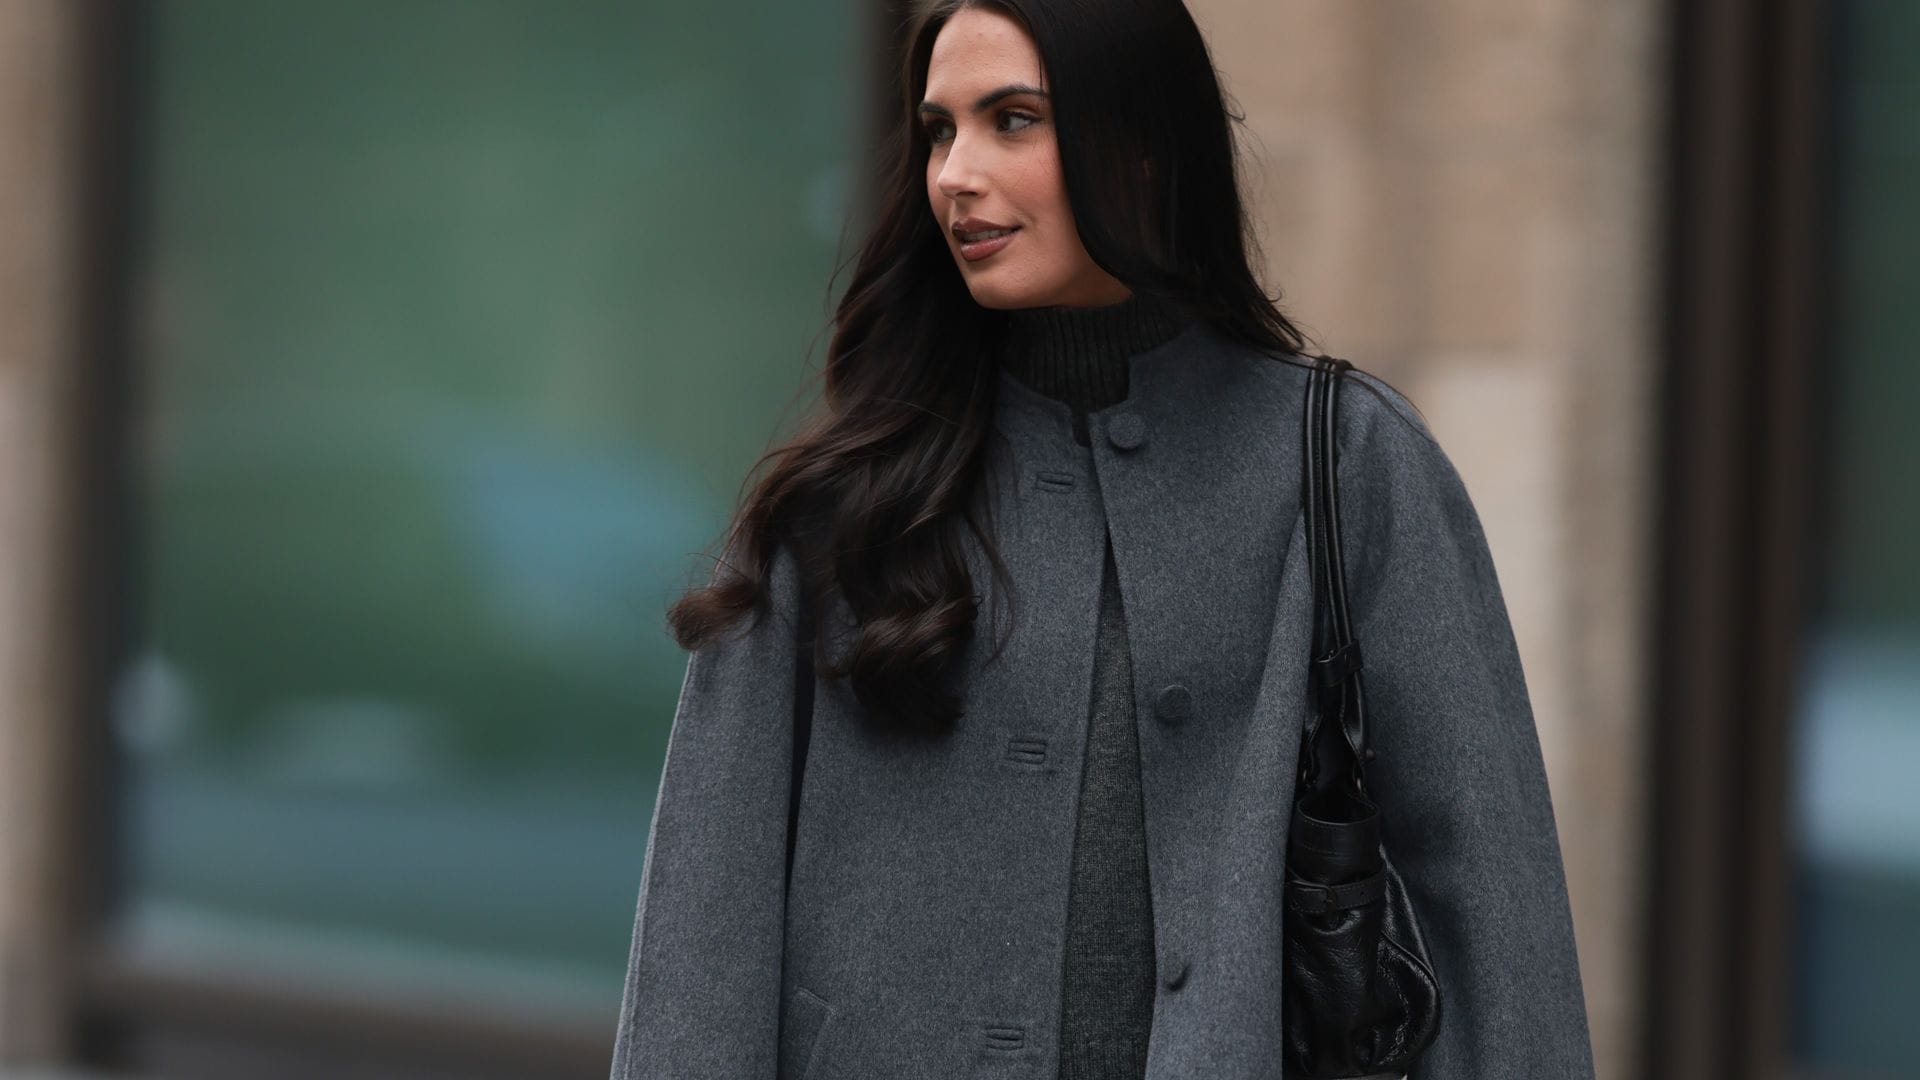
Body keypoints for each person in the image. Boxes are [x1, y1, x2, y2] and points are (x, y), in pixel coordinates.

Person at [608, 1, 1596, 1077]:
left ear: (1140, 146)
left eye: (1013, 120)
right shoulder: (839, 506)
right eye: (940, 130)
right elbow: (702, 943)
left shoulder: (1349, 467)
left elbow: (1493, 915)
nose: (955, 174)